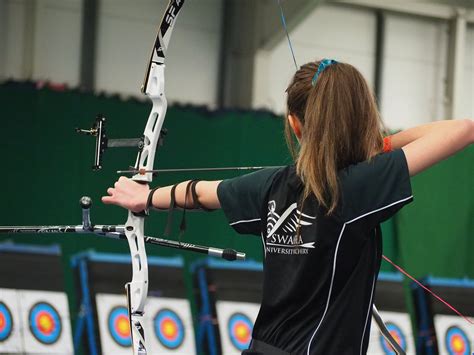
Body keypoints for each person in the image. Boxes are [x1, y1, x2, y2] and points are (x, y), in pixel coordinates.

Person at [102, 59, 474, 354]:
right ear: (361, 121)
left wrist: (145, 197)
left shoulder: (272, 185)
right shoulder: (359, 186)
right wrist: (380, 145)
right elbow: (463, 128)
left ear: (295, 125)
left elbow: (200, 193)